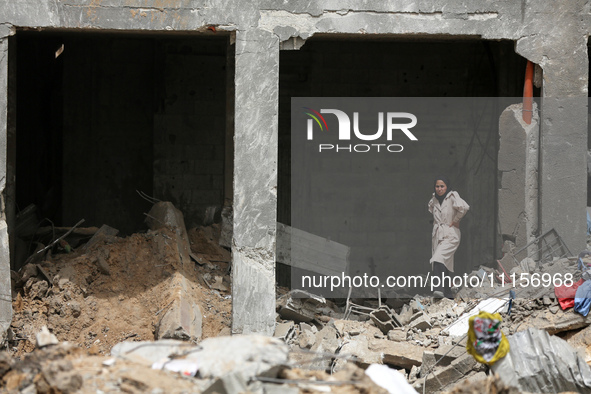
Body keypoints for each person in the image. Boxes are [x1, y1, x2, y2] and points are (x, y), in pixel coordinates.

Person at [428, 176, 470, 298]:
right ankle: (447, 293)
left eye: (442, 186)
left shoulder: (452, 196)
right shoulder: (434, 200)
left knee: (438, 259)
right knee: (445, 264)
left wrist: (456, 220)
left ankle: (438, 290)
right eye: (437, 186)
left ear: (446, 187)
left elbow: (464, 207)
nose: (439, 189)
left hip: (451, 234)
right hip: (438, 235)